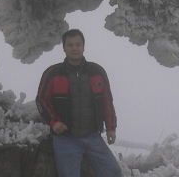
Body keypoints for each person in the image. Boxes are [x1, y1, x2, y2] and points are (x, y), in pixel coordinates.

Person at [36, 29, 122, 177]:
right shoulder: (53, 73)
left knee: (113, 172)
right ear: (64, 48)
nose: (74, 48)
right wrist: (54, 122)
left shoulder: (97, 71)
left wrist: (111, 128)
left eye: (78, 44)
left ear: (83, 46)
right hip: (65, 139)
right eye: (70, 45)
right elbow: (42, 101)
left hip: (93, 136)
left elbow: (107, 101)